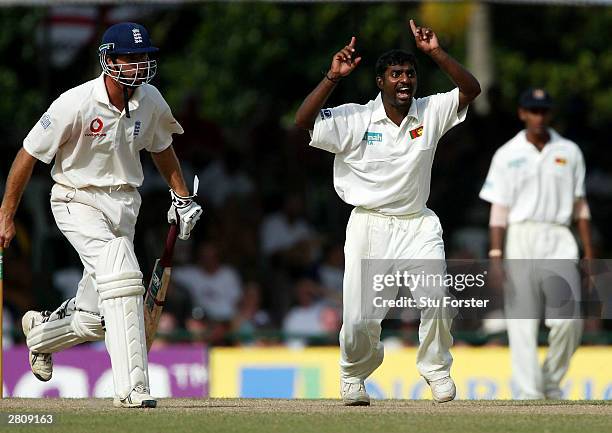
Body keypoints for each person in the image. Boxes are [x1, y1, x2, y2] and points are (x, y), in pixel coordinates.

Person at [0, 22, 203, 408]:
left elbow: (161, 148)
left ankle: (40, 335)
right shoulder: (74, 103)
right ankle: (132, 389)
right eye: (132, 58)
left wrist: (182, 198)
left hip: (125, 206)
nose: (141, 65)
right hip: (77, 200)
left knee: (95, 317)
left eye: (145, 57)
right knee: (124, 276)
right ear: (109, 60)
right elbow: (28, 153)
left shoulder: (152, 100)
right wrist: (6, 214)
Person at [295, 20, 480, 405]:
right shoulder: (355, 118)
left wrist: (436, 53)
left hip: (417, 223)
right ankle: (353, 375)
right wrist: (332, 76)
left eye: (411, 74)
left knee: (438, 299)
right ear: (380, 81)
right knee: (362, 318)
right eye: (396, 74)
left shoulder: (430, 111)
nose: (405, 80)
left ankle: (436, 369)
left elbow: (470, 89)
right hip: (369, 224)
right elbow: (303, 122)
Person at [479, 88, 592, 399]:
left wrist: (590, 253)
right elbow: (498, 211)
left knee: (569, 321)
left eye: (543, 111)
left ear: (550, 113)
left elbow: (580, 206)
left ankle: (551, 381)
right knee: (522, 322)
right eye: (533, 111)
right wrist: (496, 256)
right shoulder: (507, 154)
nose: (538, 117)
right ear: (522, 113)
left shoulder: (569, 151)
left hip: (558, 235)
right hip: (521, 236)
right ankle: (529, 394)